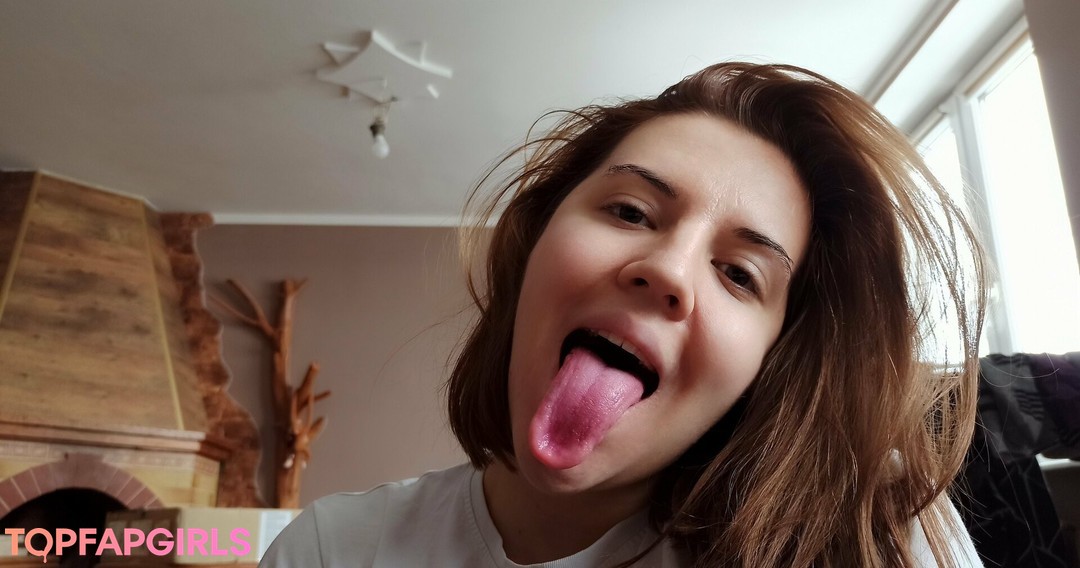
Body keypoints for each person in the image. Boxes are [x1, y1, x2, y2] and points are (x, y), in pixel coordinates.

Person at [260, 62, 987, 567]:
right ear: (536, 239)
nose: (668, 269)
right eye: (631, 212)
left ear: (770, 360)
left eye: (739, 274)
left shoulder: (871, 535)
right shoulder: (333, 549)